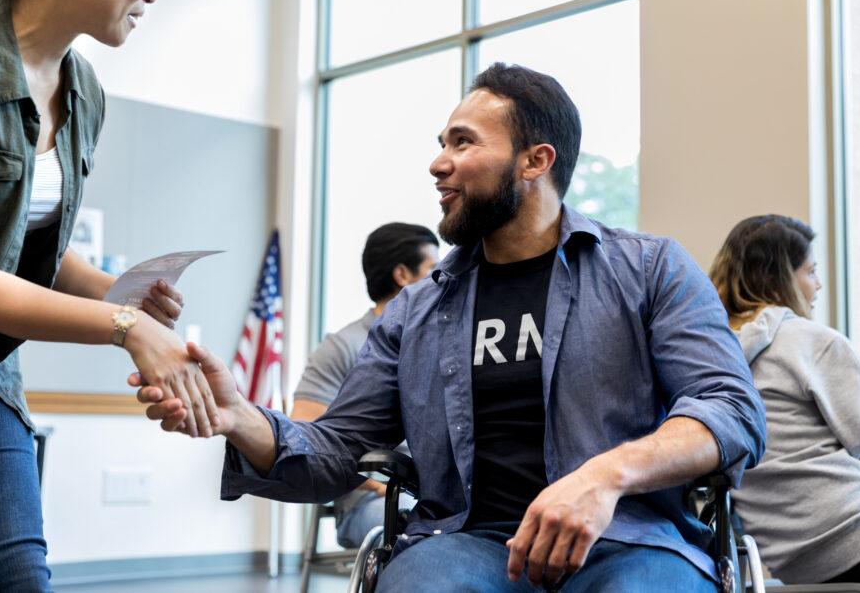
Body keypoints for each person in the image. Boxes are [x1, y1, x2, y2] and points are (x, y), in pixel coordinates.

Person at [133, 63, 766, 592]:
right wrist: (239, 416)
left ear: (534, 160)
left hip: (628, 538)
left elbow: (731, 408)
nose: (439, 163)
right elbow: (336, 454)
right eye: (442, 143)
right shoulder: (416, 311)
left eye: (463, 143)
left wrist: (605, 476)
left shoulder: (651, 269)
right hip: (467, 542)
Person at [0, 0, 217, 590]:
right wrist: (126, 327)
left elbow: (24, 248)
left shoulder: (84, 91)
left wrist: (118, 293)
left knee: (24, 577)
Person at [709, 214, 860, 591]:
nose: (818, 284)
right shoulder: (809, 342)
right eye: (810, 272)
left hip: (792, 557)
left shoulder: (709, 353)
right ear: (779, 278)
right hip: (859, 528)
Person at [291, 222, 438, 548]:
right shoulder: (344, 346)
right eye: (432, 269)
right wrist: (380, 484)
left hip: (434, 498)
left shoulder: (441, 345)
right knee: (422, 533)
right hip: (373, 504)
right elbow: (304, 438)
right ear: (403, 275)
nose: (441, 280)